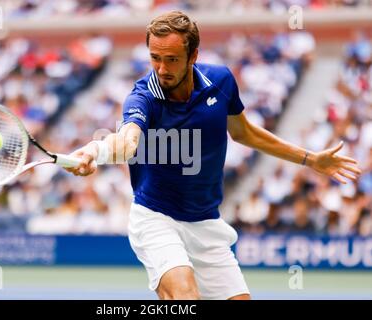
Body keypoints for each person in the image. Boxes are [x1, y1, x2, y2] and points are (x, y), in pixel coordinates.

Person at [65, 11, 361, 300]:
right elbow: (128, 140)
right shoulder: (142, 96)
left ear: (193, 56)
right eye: (155, 58)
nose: (162, 69)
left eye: (172, 59)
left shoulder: (220, 82)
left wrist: (311, 159)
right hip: (156, 218)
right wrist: (95, 150)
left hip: (206, 224)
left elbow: (245, 133)